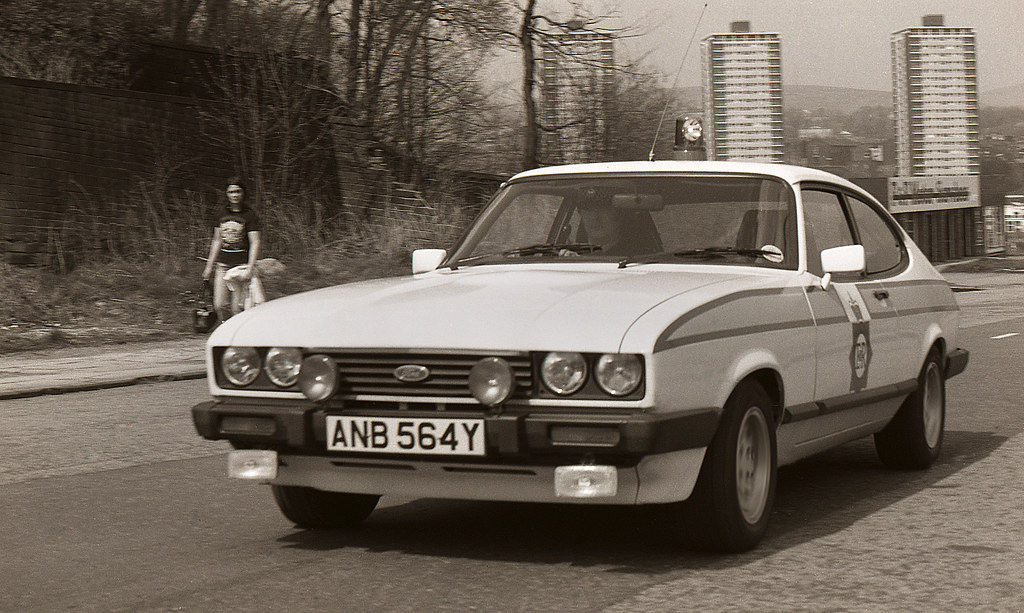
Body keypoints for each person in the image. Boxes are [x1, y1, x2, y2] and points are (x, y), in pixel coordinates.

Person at [202, 177, 262, 321]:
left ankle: (238, 338)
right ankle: (226, 333)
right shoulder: (221, 213)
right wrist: (209, 267)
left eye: (238, 191)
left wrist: (250, 267)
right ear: (227, 194)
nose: (235, 195)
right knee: (220, 305)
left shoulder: (250, 215)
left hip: (241, 266)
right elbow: (217, 240)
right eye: (231, 192)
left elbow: (255, 242)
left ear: (243, 193)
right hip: (223, 265)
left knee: (238, 308)